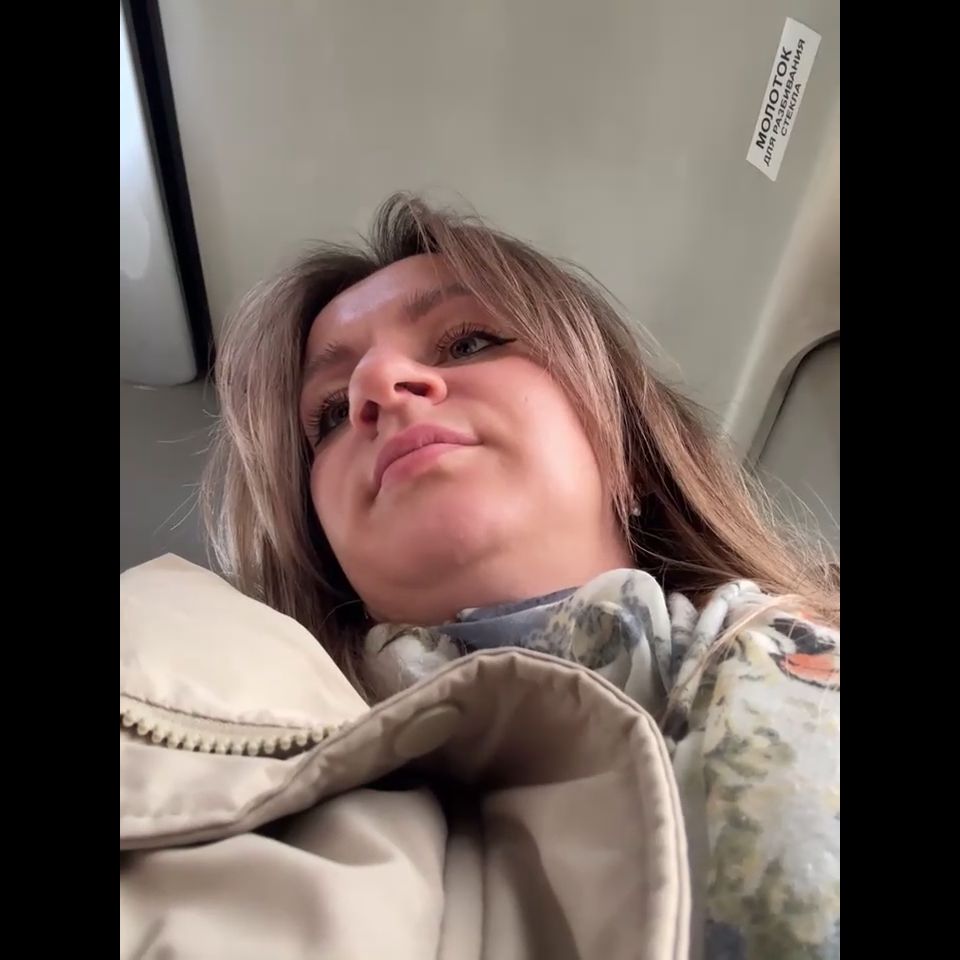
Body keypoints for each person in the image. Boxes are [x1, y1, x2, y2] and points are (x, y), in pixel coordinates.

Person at [119, 194, 839, 960]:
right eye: (328, 414)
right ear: (328, 555)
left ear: (628, 454)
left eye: (467, 342)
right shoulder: (165, 671)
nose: (377, 384)